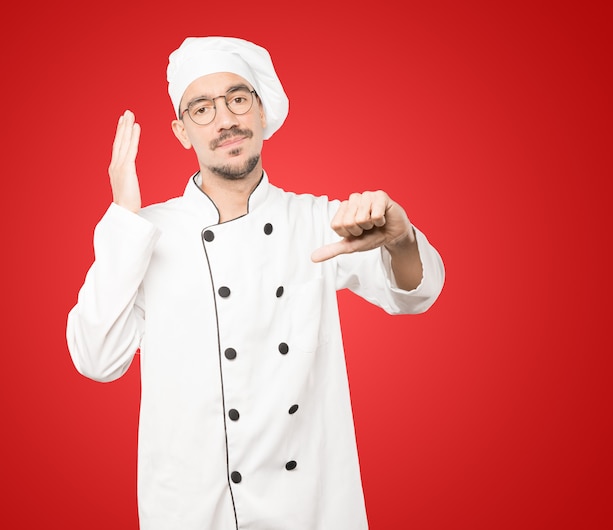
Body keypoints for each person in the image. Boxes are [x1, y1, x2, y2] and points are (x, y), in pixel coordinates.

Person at [66, 36, 445, 530]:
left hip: (309, 507)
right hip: (189, 511)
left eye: (238, 99)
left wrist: (400, 240)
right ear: (181, 132)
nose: (225, 120)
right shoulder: (146, 233)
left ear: (260, 113)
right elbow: (97, 360)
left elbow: (414, 295)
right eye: (202, 109)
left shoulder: (318, 220)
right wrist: (123, 217)